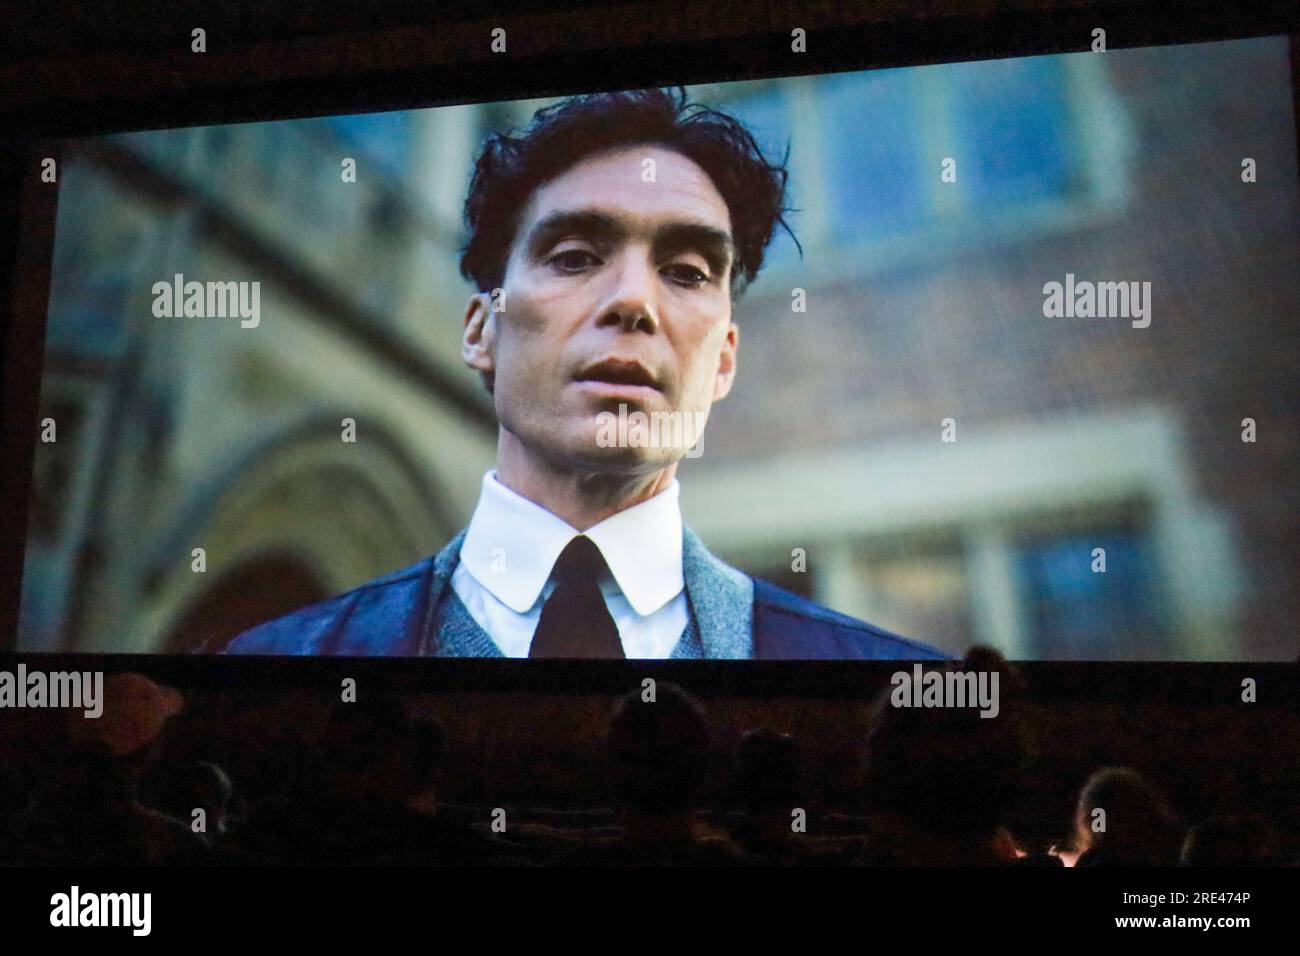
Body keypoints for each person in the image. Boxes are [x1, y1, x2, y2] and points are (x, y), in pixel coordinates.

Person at [226, 87, 947, 660]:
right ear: (482, 332)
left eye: (686, 271)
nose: (634, 300)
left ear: (723, 359)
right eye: (574, 256)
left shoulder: (881, 701)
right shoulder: (267, 675)